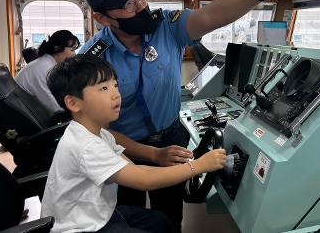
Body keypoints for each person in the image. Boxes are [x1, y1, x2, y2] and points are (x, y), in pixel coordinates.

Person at [80, 0, 317, 231]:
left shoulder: (167, 27)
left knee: (169, 217)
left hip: (170, 138)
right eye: (128, 4)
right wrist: (152, 155)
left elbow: (211, 15)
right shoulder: (92, 60)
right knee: (126, 217)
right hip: (121, 148)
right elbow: (96, 130)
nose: (142, 5)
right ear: (102, 18)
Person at [41, 55, 226, 233]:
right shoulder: (86, 147)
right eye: (103, 88)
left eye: (115, 85)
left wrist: (173, 160)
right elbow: (144, 180)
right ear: (73, 103)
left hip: (96, 215)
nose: (116, 94)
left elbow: (141, 171)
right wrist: (199, 166)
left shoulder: (100, 134)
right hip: (80, 228)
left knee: (161, 221)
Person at [15, 30, 80, 113]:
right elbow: (54, 107)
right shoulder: (43, 68)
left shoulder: (48, 64)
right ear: (57, 49)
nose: (74, 54)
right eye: (72, 50)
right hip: (24, 116)